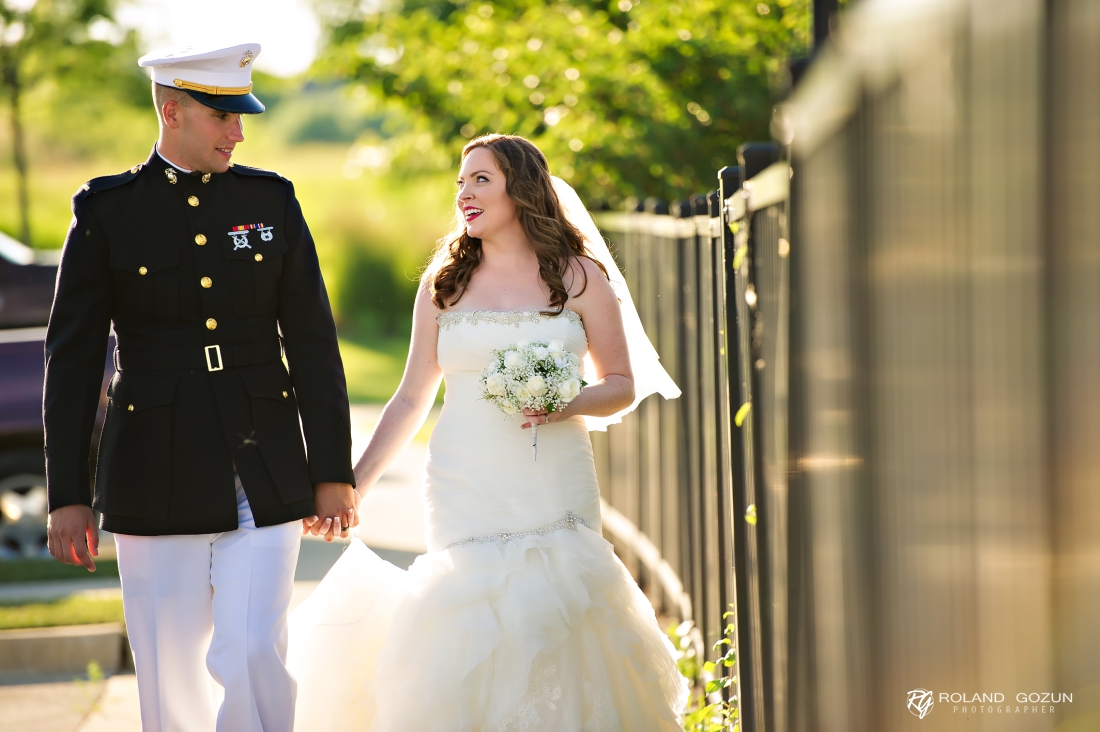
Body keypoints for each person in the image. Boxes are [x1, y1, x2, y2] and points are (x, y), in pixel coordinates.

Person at [287, 134, 687, 730]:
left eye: (481, 180)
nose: (465, 195)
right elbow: (410, 397)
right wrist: (354, 486)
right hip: (463, 476)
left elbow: (622, 383)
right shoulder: (444, 283)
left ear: (520, 190)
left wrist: (564, 402)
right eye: (461, 182)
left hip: (553, 478)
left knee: (564, 607)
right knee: (469, 613)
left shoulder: (578, 276)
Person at [42, 43, 358, 732]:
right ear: (172, 109)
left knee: (253, 649)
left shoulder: (270, 199)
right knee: (168, 665)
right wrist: (67, 493)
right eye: (223, 116)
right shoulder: (106, 210)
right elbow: (72, 360)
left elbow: (311, 342)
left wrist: (331, 470)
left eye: (242, 117)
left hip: (264, 457)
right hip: (152, 462)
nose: (237, 132)